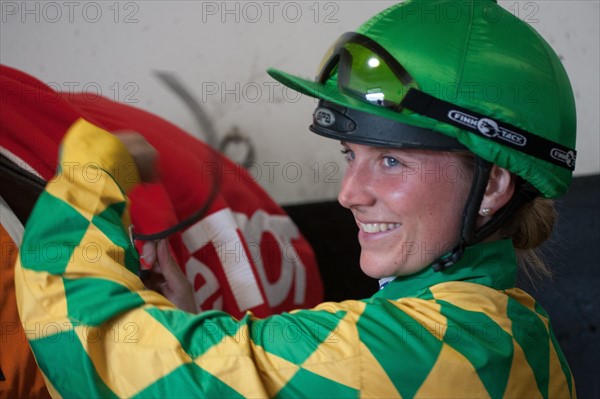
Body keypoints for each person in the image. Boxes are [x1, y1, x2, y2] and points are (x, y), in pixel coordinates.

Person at [15, 0, 576, 397]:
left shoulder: (419, 348)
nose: (349, 194)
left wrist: (92, 168)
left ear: (495, 185)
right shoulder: (517, 333)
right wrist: (190, 322)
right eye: (349, 156)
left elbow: (90, 350)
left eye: (390, 160)